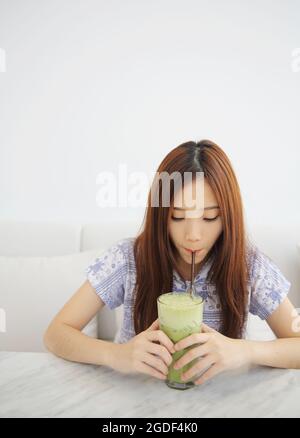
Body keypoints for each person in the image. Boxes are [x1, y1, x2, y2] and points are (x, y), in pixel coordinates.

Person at [44, 140, 300, 385]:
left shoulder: (248, 267)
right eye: (177, 216)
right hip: (136, 401)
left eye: (209, 218)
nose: (193, 235)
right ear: (161, 215)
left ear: (228, 218)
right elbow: (56, 333)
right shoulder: (128, 259)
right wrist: (116, 355)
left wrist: (244, 351)